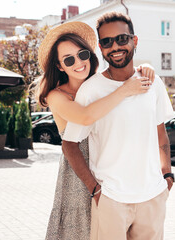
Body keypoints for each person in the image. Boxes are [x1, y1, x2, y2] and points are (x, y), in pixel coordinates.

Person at [36, 21, 155, 240]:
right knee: (82, 230)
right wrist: (125, 91)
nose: (78, 63)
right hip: (81, 173)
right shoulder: (56, 96)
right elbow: (85, 116)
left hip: (113, 171)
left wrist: (145, 69)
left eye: (82, 54)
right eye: (68, 60)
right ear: (60, 67)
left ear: (90, 54)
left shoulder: (100, 85)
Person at [62, 12, 175, 240]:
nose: (115, 46)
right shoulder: (91, 90)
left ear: (134, 40)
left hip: (153, 196)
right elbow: (69, 144)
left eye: (122, 39)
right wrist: (94, 189)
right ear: (101, 48)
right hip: (111, 198)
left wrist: (167, 175)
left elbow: (160, 134)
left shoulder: (153, 82)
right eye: (106, 42)